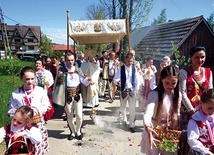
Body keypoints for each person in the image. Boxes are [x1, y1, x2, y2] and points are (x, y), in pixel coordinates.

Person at [8, 66, 51, 154]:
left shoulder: (40, 91)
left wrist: (36, 112)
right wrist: (20, 114)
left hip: (37, 123)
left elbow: (46, 104)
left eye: (32, 79)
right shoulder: (16, 94)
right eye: (27, 79)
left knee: (38, 147)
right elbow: (11, 110)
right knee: (25, 148)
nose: (30, 81)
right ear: (21, 78)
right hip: (22, 126)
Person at [140, 65, 181, 155]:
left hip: (169, 131)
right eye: (167, 83)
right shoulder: (154, 94)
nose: (170, 86)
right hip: (154, 129)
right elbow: (148, 113)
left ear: (177, 81)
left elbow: (177, 113)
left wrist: (175, 124)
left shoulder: (178, 95)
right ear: (161, 80)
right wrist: (148, 127)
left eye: (173, 83)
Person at [53, 52, 91, 141]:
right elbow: (58, 83)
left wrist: (88, 80)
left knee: (79, 115)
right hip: (67, 95)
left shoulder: (78, 69)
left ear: (74, 60)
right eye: (68, 60)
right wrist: (64, 75)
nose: (70, 62)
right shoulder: (62, 70)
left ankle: (78, 131)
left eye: (72, 60)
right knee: (69, 115)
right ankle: (72, 132)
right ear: (65, 60)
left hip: (77, 94)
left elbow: (84, 81)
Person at [179, 45, 213, 129]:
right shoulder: (184, 72)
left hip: (204, 110)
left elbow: (210, 92)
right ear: (191, 57)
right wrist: (191, 109)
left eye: (202, 57)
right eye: (197, 57)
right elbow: (183, 93)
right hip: (187, 110)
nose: (200, 60)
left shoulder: (208, 72)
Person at [113, 53, 139, 133]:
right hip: (124, 90)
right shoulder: (120, 69)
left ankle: (132, 125)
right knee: (123, 107)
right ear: (125, 61)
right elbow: (115, 79)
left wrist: (136, 89)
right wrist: (118, 82)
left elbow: (136, 80)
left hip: (132, 90)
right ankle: (124, 119)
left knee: (132, 108)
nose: (130, 63)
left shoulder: (134, 69)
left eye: (131, 61)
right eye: (128, 61)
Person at [187, 89, 214, 155]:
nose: (212, 112)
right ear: (201, 103)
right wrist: (205, 152)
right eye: (209, 108)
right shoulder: (195, 119)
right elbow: (192, 140)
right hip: (202, 152)